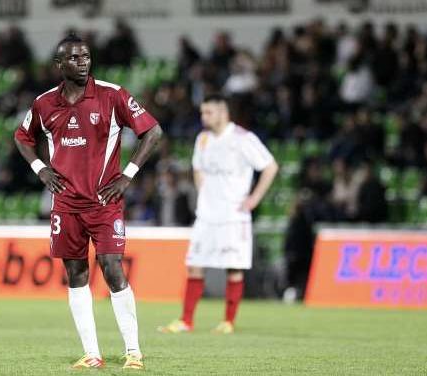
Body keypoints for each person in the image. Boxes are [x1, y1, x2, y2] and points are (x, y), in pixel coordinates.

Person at [14, 34, 162, 369]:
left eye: (86, 56)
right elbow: (22, 137)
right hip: (65, 205)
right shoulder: (44, 103)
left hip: (104, 202)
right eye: (75, 58)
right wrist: (41, 169)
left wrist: (128, 175)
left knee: (112, 269)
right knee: (76, 273)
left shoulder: (112, 95)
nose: (83, 62)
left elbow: (153, 132)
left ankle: (133, 352)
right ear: (59, 64)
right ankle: (92, 354)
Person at [158, 94, 278, 334]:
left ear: (223, 113)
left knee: (233, 267)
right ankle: (186, 320)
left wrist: (253, 198)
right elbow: (197, 168)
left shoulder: (243, 138)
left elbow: (270, 166)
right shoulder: (202, 139)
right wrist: (203, 188)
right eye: (202, 112)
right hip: (206, 215)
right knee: (194, 264)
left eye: (208, 113)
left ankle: (228, 322)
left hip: (233, 215)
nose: (204, 117)